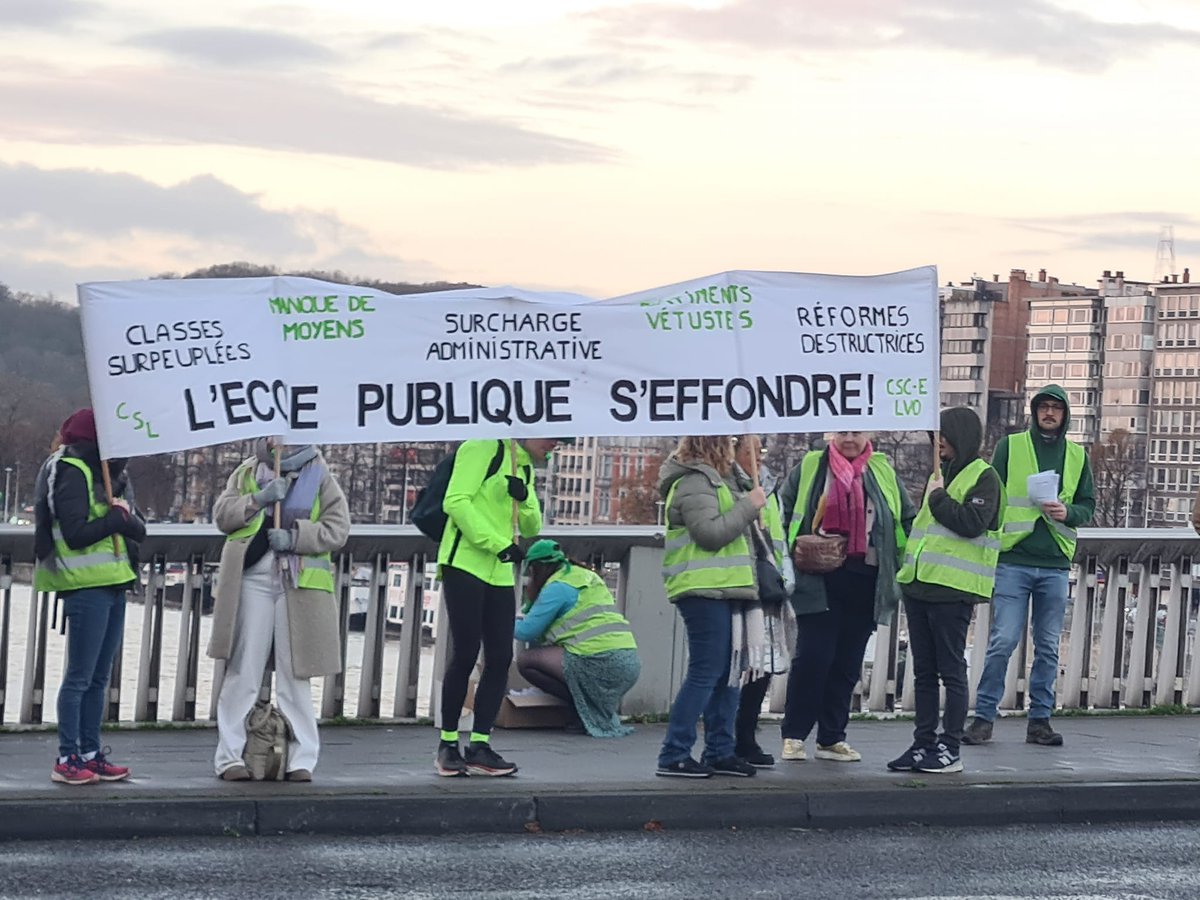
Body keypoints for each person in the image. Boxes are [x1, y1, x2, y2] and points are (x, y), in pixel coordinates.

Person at [210, 439, 349, 781]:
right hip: (252, 582)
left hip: (298, 585)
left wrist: (295, 537)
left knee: (295, 674)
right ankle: (229, 758)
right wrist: (257, 500)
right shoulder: (245, 472)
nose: (276, 442)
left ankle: (302, 760)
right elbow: (222, 516)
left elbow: (338, 529)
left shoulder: (321, 476)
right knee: (243, 670)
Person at [963, 385, 1095, 747]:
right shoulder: (1011, 446)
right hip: (1014, 557)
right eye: (1044, 407)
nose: (1049, 413)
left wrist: (1068, 512)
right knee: (1002, 640)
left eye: (1056, 408)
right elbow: (992, 490)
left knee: (1049, 645)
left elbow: (1088, 504)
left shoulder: (1077, 455)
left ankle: (1040, 721)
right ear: (1035, 412)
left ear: (1065, 415)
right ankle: (984, 719)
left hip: (1053, 560)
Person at [779, 430, 914, 763]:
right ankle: (794, 735)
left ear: (869, 434)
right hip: (818, 576)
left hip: (867, 577)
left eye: (856, 432)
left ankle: (831, 738)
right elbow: (783, 514)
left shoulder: (882, 469)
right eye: (843, 432)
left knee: (847, 663)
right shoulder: (812, 465)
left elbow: (905, 519)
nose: (849, 438)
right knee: (814, 657)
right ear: (832, 434)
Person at [435, 438, 559, 778]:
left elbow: (532, 527)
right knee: (465, 653)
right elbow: (456, 502)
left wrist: (525, 496)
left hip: (500, 572)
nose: (556, 444)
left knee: (501, 657)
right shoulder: (482, 448)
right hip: (465, 563)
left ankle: (479, 745)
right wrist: (497, 543)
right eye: (553, 437)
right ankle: (447, 744)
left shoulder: (526, 465)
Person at [34, 408, 145, 785]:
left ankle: (91, 753)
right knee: (80, 677)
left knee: (99, 677)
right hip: (84, 584)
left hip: (114, 582)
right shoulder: (72, 470)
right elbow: (77, 532)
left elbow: (138, 528)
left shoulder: (113, 475)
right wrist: (117, 519)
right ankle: (67, 757)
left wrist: (123, 518)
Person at [889, 408, 1003, 774]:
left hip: (953, 589)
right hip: (921, 584)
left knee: (951, 670)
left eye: (944, 438)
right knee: (923, 671)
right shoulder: (941, 474)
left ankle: (950, 746)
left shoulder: (984, 477)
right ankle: (923, 743)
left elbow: (971, 523)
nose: (938, 445)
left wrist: (937, 499)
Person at [656, 435, 766, 779]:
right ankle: (674, 752)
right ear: (718, 447)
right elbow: (709, 534)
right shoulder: (693, 482)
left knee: (729, 672)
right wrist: (749, 506)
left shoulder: (717, 481)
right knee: (706, 672)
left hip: (726, 587)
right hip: (702, 588)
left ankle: (720, 750)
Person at [514, 539, 641, 737]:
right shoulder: (586, 576)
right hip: (628, 662)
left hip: (600, 661)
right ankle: (586, 711)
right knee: (564, 660)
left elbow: (526, 632)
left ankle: (578, 711)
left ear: (537, 569)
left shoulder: (557, 588)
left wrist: (496, 622)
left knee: (527, 661)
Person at [731, 434, 794, 768]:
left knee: (764, 664)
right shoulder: (729, 483)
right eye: (751, 450)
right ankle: (730, 736)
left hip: (769, 584)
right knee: (737, 665)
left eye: (761, 450)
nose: (758, 456)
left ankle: (745, 733)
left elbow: (780, 532)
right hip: (740, 582)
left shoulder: (768, 485)